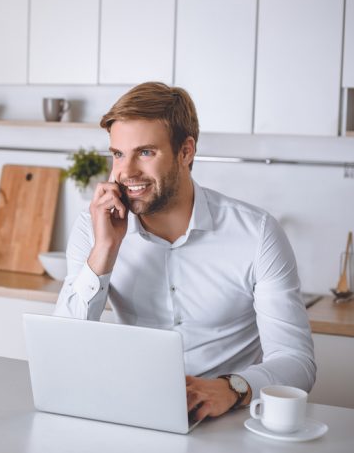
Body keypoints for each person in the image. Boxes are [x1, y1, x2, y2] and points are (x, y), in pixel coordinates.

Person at [54, 82, 315, 422]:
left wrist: (232, 387)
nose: (126, 172)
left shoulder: (257, 234)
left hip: (229, 420)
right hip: (132, 412)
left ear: (186, 151)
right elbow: (62, 349)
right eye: (118, 154)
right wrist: (105, 249)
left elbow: (297, 362)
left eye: (145, 152)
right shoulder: (93, 228)